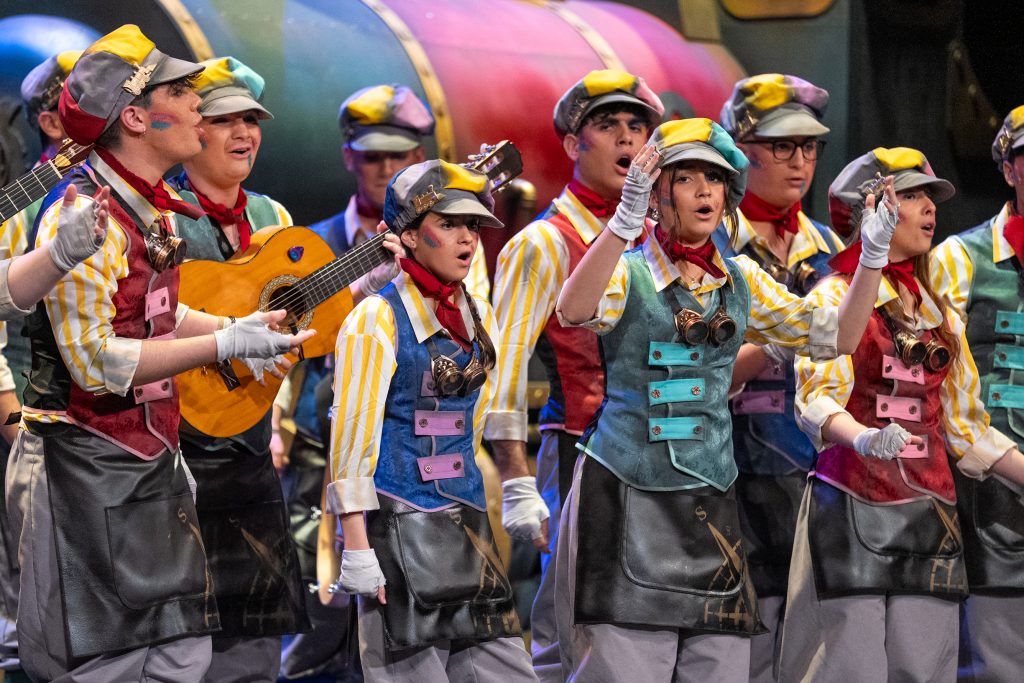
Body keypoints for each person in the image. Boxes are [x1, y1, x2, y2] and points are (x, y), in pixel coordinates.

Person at [4, 25, 314, 681]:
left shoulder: (154, 210)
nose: (199, 102)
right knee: (100, 661)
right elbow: (96, 363)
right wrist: (222, 343)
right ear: (137, 117)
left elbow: (157, 311)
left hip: (149, 457)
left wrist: (235, 325)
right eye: (179, 91)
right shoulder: (84, 213)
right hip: (82, 462)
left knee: (181, 652)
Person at [554, 118, 893, 681]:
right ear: (656, 194)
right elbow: (573, 309)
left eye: (714, 178)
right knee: (625, 663)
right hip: (626, 492)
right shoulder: (628, 271)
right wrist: (621, 225)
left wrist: (872, 258)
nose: (704, 190)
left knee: (721, 664)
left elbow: (838, 337)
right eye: (686, 178)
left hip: (710, 499)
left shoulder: (741, 280)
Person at [779, 147, 1024, 681]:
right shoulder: (836, 296)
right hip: (850, 502)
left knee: (925, 666)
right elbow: (815, 400)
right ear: (871, 210)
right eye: (911, 196)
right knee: (849, 667)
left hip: (930, 512)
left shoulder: (939, 315)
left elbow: (965, 428)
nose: (929, 208)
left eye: (930, 197)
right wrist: (863, 439)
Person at [327, 158, 536, 682]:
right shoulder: (376, 317)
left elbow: (474, 422)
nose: (467, 238)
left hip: (467, 525)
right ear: (408, 236)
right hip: (397, 527)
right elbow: (352, 433)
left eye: (473, 226)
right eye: (449, 224)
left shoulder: (478, 316)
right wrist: (356, 543)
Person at [489, 68, 663, 679]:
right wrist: (515, 479)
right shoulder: (545, 242)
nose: (626, 138)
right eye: (607, 125)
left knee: (647, 624)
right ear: (572, 143)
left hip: (667, 459)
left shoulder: (662, 237)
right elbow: (503, 367)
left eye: (637, 125)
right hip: (580, 454)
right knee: (574, 623)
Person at [278, 83, 436, 682]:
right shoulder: (310, 245)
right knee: (314, 628)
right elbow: (279, 340)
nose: (387, 168)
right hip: (316, 453)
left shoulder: (445, 245)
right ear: (349, 156)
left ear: (421, 158)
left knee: (404, 628)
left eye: (400, 156)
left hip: (411, 455)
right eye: (373, 156)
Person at [167, 55, 314, 681]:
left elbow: (296, 323)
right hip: (176, 446)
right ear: (192, 127)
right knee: (178, 635)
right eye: (226, 119)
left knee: (254, 639)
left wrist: (364, 286)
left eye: (251, 120)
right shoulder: (159, 214)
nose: (244, 133)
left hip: (248, 443)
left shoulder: (273, 218)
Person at [713, 73, 843, 681]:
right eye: (781, 145)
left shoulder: (830, 247)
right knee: (737, 636)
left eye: (809, 146)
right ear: (741, 151)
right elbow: (703, 367)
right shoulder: (711, 243)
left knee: (807, 633)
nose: (799, 161)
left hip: (807, 465)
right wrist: (784, 342)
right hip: (726, 464)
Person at [930, 107, 1024, 681]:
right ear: (1009, 169)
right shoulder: (959, 258)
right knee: (996, 664)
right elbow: (939, 392)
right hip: (991, 499)